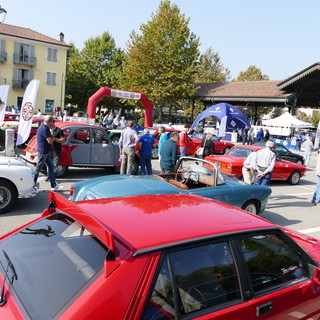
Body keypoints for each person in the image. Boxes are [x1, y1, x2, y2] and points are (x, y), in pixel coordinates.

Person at [33, 115, 63, 191]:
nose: (53, 124)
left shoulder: (43, 127)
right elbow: (49, 141)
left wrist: (52, 150)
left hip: (46, 151)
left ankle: (53, 185)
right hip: (43, 152)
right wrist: (54, 138)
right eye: (52, 122)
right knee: (38, 169)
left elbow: (50, 141)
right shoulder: (44, 129)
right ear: (49, 122)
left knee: (51, 167)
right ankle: (32, 184)